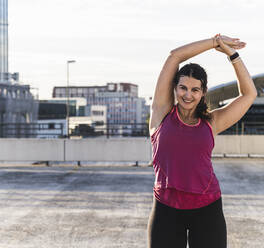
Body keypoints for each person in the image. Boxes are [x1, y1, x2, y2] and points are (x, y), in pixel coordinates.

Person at [147, 34, 257, 248]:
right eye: (183, 88)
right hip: (166, 209)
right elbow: (174, 56)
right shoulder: (161, 113)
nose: (188, 95)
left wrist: (231, 54)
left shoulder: (212, 122)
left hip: (207, 210)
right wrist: (214, 42)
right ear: (175, 88)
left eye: (195, 89)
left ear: (203, 92)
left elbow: (249, 94)